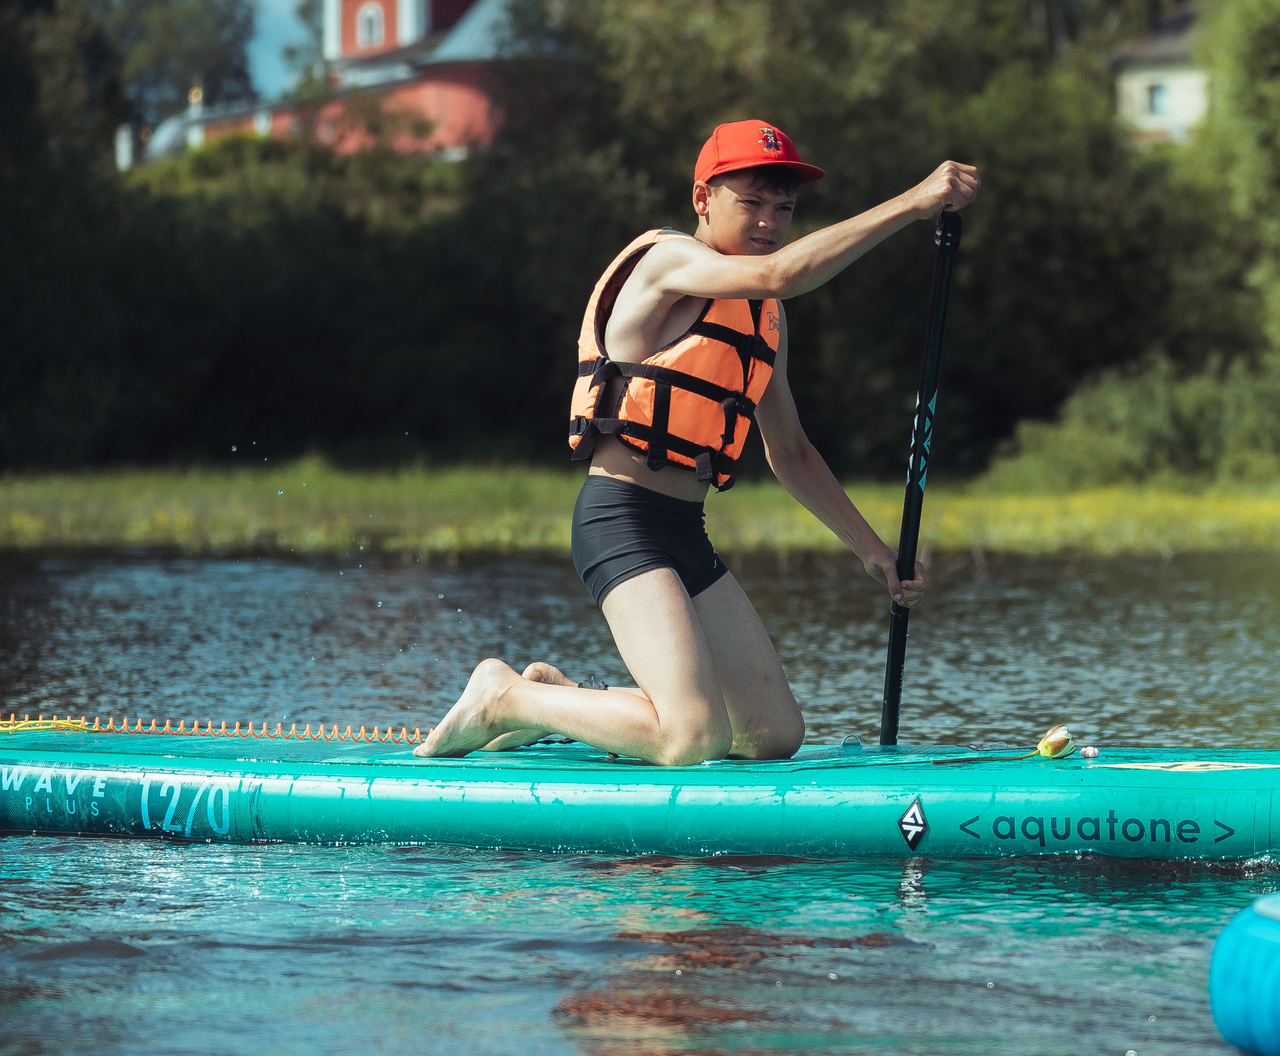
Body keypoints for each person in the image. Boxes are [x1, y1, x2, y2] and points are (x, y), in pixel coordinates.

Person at [417, 120, 981, 765]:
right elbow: (779, 273)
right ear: (703, 200)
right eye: (752, 204)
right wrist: (912, 203)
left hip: (686, 531)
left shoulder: (764, 315)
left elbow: (790, 450)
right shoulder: (671, 262)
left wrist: (874, 552)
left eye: (784, 209)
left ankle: (565, 697)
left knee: (772, 736)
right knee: (693, 738)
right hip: (619, 519)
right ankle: (504, 697)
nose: (769, 222)